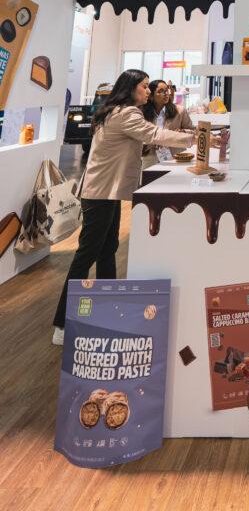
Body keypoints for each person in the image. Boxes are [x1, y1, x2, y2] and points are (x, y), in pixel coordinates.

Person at [52, 69, 195, 345]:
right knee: (87, 255)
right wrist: (194, 138)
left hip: (106, 192)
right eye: (144, 86)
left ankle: (108, 310)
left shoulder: (114, 111)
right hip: (100, 193)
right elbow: (154, 134)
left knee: (107, 250)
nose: (148, 91)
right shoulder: (127, 114)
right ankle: (61, 323)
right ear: (130, 88)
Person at [141, 79, 194, 168]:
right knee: (149, 176)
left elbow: (192, 131)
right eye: (160, 91)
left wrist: (183, 132)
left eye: (166, 90)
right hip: (150, 159)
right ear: (151, 96)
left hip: (175, 157)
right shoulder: (142, 113)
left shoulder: (180, 111)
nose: (165, 93)